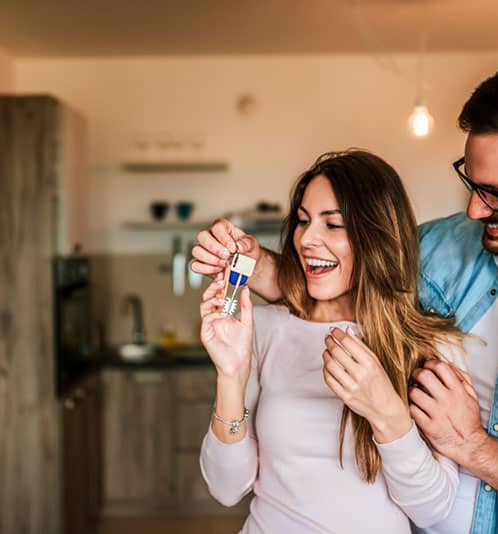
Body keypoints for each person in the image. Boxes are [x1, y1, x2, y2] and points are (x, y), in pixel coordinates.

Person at [191, 59, 498, 534]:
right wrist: (252, 264)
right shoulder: (445, 246)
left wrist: (470, 444)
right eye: (471, 183)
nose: (472, 208)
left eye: (495, 193)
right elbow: (347, 287)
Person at [198, 150, 473, 533]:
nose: (307, 239)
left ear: (377, 237)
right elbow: (226, 488)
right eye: (303, 221)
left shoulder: (429, 347)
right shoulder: (263, 329)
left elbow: (434, 510)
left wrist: (385, 411)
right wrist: (230, 376)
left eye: (333, 225)